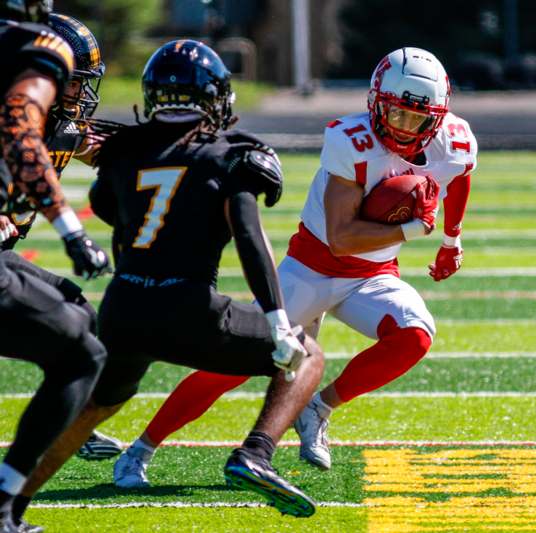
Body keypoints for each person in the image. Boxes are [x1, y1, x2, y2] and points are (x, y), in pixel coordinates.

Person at [112, 46, 477, 484]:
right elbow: (342, 240)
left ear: (437, 116)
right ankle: (141, 449)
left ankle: (317, 409)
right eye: (394, 114)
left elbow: (459, 176)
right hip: (311, 267)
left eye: (416, 118)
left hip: (373, 275)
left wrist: (452, 241)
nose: (402, 128)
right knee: (229, 366)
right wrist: (416, 231)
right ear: (375, 100)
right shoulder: (350, 140)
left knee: (415, 335)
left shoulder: (456, 141)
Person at [14, 39, 325, 520]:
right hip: (190, 309)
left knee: (93, 409)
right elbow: (248, 236)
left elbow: (104, 206)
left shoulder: (121, 151)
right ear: (216, 98)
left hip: (123, 307)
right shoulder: (231, 154)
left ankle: (11, 500)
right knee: (308, 357)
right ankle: (255, 454)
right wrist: (279, 321)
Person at [0, 1, 113, 531]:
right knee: (79, 348)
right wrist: (71, 229)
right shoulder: (31, 72)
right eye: (74, 80)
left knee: (77, 315)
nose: (76, 91)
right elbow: (23, 133)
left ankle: (65, 419)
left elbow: (67, 138)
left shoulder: (57, 124)